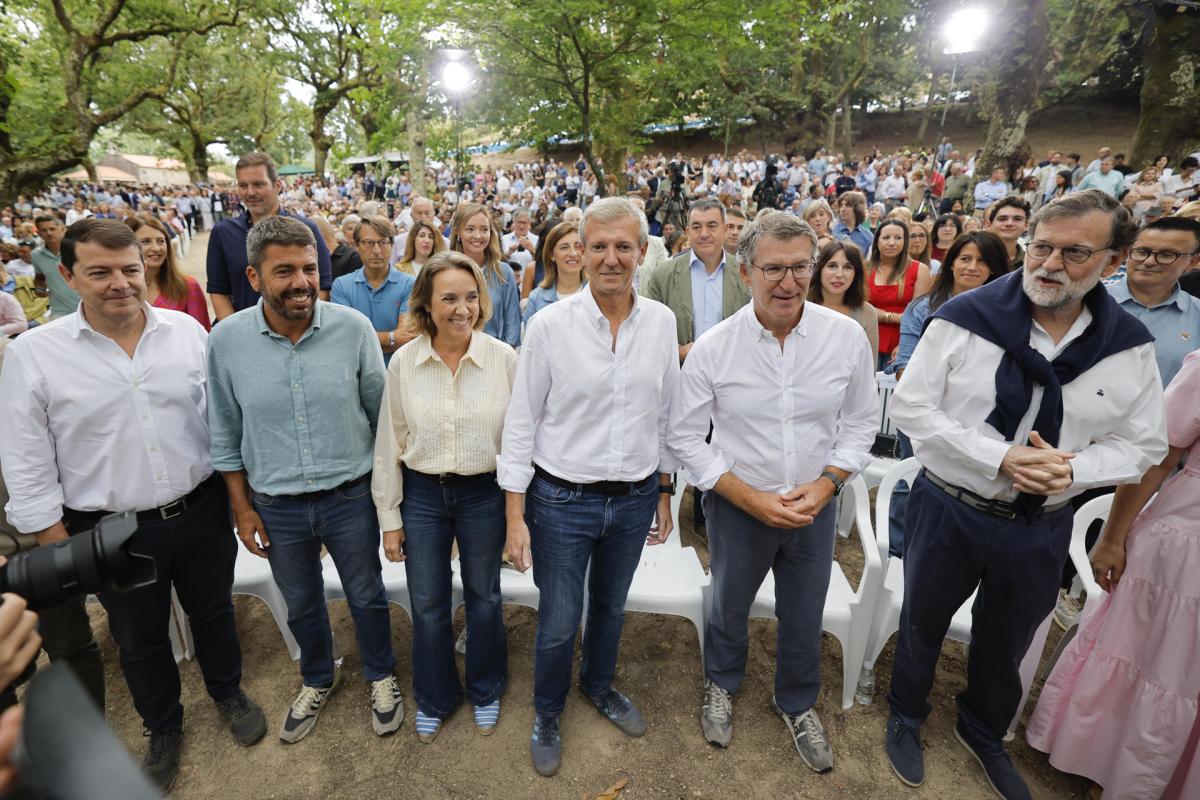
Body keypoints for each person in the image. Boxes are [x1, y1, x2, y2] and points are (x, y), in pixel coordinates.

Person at [883, 190, 1169, 799]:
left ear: (1112, 262)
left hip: (1041, 524)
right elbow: (910, 404)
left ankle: (982, 729)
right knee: (921, 620)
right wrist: (1001, 455)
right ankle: (906, 713)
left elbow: (1145, 444)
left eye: (1074, 253)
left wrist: (1075, 469)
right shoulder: (967, 316)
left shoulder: (1129, 346)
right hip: (951, 507)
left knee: (1009, 636)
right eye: (1041, 247)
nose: (1049, 264)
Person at [0, 219, 267, 792]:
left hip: (199, 510)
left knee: (214, 612)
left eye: (129, 269)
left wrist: (237, 501)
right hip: (110, 530)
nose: (119, 283)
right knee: (139, 639)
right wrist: (56, 543)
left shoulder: (188, 333)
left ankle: (228, 692)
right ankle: (163, 727)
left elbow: (218, 422)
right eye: (100, 272)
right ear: (68, 276)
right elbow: (24, 459)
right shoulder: (36, 356)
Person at [670, 211, 877, 771]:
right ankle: (722, 683)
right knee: (729, 605)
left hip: (813, 506)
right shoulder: (714, 348)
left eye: (799, 268)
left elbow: (860, 425)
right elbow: (686, 436)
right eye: (773, 269)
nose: (788, 282)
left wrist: (829, 483)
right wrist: (743, 495)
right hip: (740, 507)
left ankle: (797, 702)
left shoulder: (846, 338)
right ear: (746, 271)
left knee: (805, 612)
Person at [497, 197, 678, 778]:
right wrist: (515, 515)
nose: (610, 258)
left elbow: (668, 412)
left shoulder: (661, 323)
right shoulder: (548, 324)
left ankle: (598, 686)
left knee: (609, 607)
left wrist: (666, 489)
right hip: (561, 501)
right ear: (579, 251)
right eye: (597, 246)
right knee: (558, 616)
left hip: (633, 498)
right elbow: (522, 421)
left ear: (642, 253)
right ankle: (547, 710)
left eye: (623, 246)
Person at [206, 215, 402, 744]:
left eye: (309, 269)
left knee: (366, 594)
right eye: (284, 270)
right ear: (253, 278)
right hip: (277, 506)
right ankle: (318, 676)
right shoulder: (225, 342)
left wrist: (389, 503)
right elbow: (224, 431)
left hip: (351, 497)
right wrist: (242, 509)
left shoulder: (352, 329)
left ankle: (381, 675)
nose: (300, 282)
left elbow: (383, 419)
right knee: (302, 602)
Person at [1026, 350, 1200, 800]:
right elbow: (1156, 457)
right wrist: (1113, 538)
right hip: (1183, 553)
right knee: (1158, 663)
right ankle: (1107, 770)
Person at [372, 252, 516, 743]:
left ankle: (486, 686)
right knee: (429, 601)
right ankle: (435, 696)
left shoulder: (504, 359)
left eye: (471, 296)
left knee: (484, 595)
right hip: (423, 495)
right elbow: (389, 441)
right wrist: (390, 517)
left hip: (484, 493)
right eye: (449, 298)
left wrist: (519, 516)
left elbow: (520, 443)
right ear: (426, 307)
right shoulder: (404, 363)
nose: (462, 308)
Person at [206, 152, 332, 320]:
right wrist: (237, 336)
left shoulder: (307, 229)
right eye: (243, 185)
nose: (250, 192)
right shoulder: (223, 233)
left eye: (258, 184)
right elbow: (219, 291)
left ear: (277, 185)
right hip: (246, 336)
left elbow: (322, 287)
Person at [644, 199, 751, 361]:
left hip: (733, 375)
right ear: (687, 231)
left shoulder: (746, 274)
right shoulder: (663, 275)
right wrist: (677, 353)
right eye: (696, 227)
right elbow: (647, 332)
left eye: (712, 226)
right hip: (681, 376)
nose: (704, 234)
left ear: (724, 229)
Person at [1105, 216, 1200, 385]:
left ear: (1192, 261)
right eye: (1142, 251)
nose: (1149, 261)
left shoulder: (1196, 316)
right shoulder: (1087, 301)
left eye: (1166, 255)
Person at [331, 215, 416, 365]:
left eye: (383, 242)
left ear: (391, 245)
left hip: (397, 373)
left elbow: (406, 339)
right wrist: (391, 338)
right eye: (369, 243)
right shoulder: (341, 286)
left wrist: (360, 340)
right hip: (355, 374)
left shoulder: (410, 284)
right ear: (356, 245)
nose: (377, 250)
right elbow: (344, 339)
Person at [450, 202, 520, 347]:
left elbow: (513, 324)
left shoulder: (503, 272)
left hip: (495, 356)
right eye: (470, 229)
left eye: (484, 229)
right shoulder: (445, 272)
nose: (478, 236)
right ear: (458, 232)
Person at [124, 213, 210, 330]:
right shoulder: (118, 290)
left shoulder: (187, 286)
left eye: (160, 241)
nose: (156, 248)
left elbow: (202, 337)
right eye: (145, 241)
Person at [866, 219, 932, 369]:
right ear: (877, 241)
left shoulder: (920, 270)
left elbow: (919, 314)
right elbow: (860, 307)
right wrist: (895, 317)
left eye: (898, 238)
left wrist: (905, 346)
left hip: (903, 340)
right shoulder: (865, 269)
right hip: (869, 338)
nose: (891, 243)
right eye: (886, 237)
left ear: (905, 241)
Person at [808, 241, 879, 355]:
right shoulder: (800, 306)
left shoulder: (867, 313)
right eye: (832, 266)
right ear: (819, 269)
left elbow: (869, 366)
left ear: (856, 274)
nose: (839, 274)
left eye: (847, 267)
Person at [524, 221, 585, 323]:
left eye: (578, 246)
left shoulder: (599, 293)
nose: (573, 253)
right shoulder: (536, 298)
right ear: (551, 255)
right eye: (564, 247)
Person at [32, 214, 80, 319]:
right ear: (38, 233)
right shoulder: (36, 255)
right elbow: (40, 277)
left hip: (87, 305)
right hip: (59, 310)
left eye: (52, 229)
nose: (49, 233)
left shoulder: (78, 249)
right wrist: (39, 288)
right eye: (44, 230)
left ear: (62, 229)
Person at [984, 196, 1030, 271]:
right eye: (1002, 219)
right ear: (988, 225)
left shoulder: (1032, 262)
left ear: (1026, 225)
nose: (1009, 223)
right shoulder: (976, 256)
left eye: (1017, 219)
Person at [313, 214, 362, 280]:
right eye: (350, 229)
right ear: (343, 231)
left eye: (356, 228)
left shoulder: (352, 256)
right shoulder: (316, 257)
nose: (354, 232)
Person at [502, 209, 539, 295]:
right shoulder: (505, 239)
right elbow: (500, 261)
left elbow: (541, 262)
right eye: (519, 222)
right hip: (509, 284)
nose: (521, 226)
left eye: (524, 223)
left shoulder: (536, 239)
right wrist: (508, 253)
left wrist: (532, 250)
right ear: (513, 222)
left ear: (529, 223)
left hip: (530, 284)